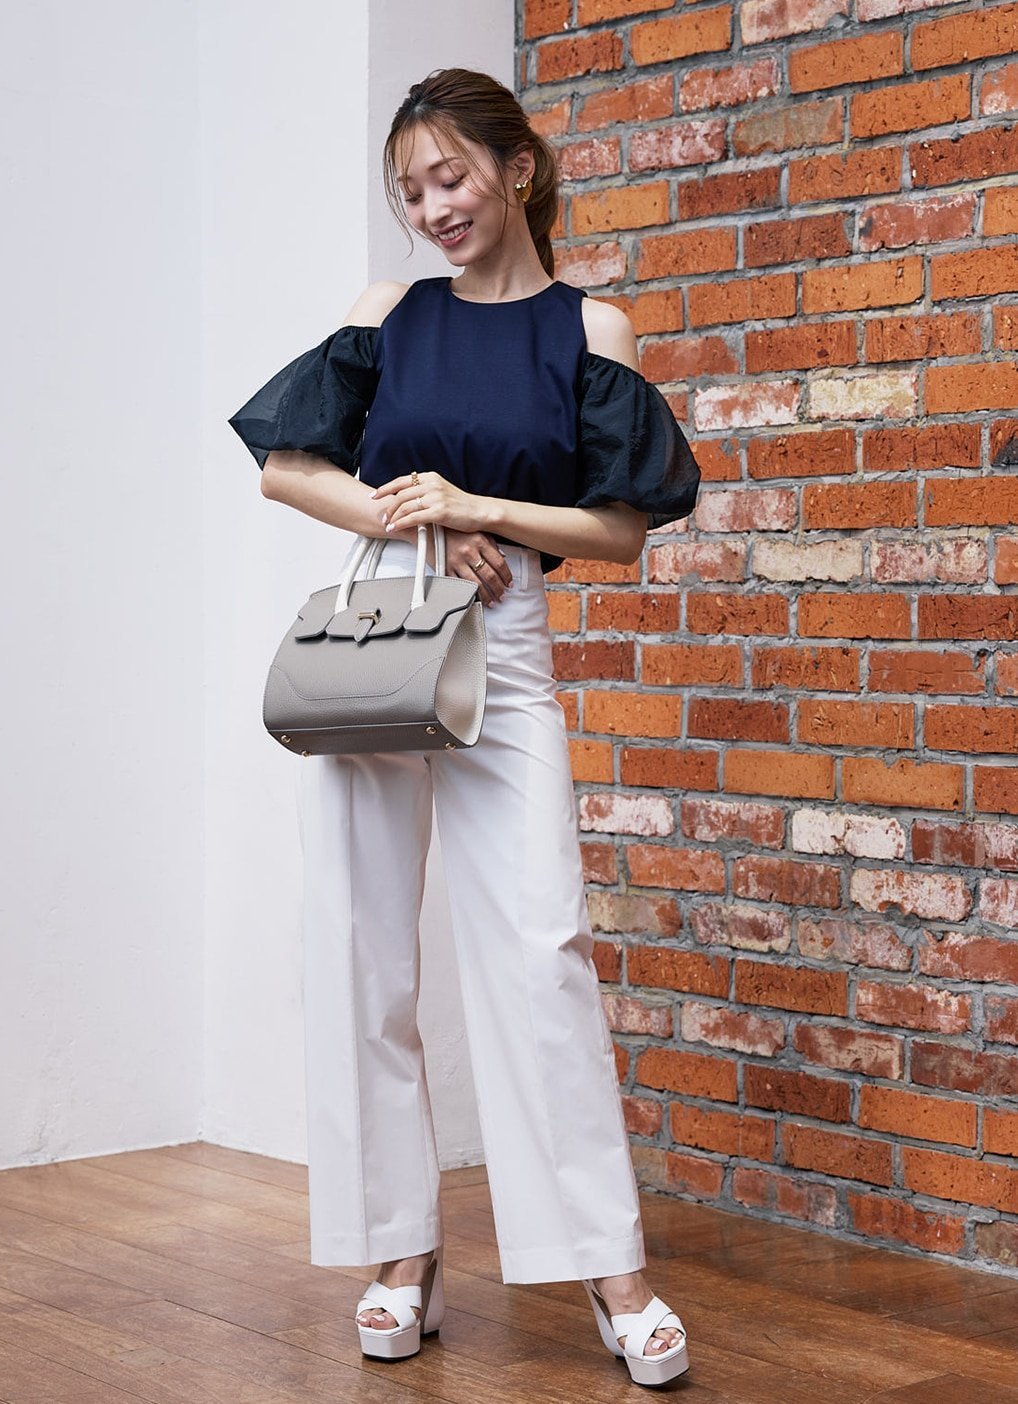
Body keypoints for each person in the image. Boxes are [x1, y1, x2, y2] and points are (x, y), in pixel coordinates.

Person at [228, 67, 700, 1389]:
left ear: (516, 170)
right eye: (410, 191)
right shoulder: (391, 314)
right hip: (382, 624)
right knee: (361, 944)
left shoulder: (589, 328)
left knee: (541, 948)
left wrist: (477, 511)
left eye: (450, 178)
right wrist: (410, 515)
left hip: (508, 641)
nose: (432, 208)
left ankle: (608, 1268)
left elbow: (616, 528)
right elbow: (286, 469)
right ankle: (400, 1253)